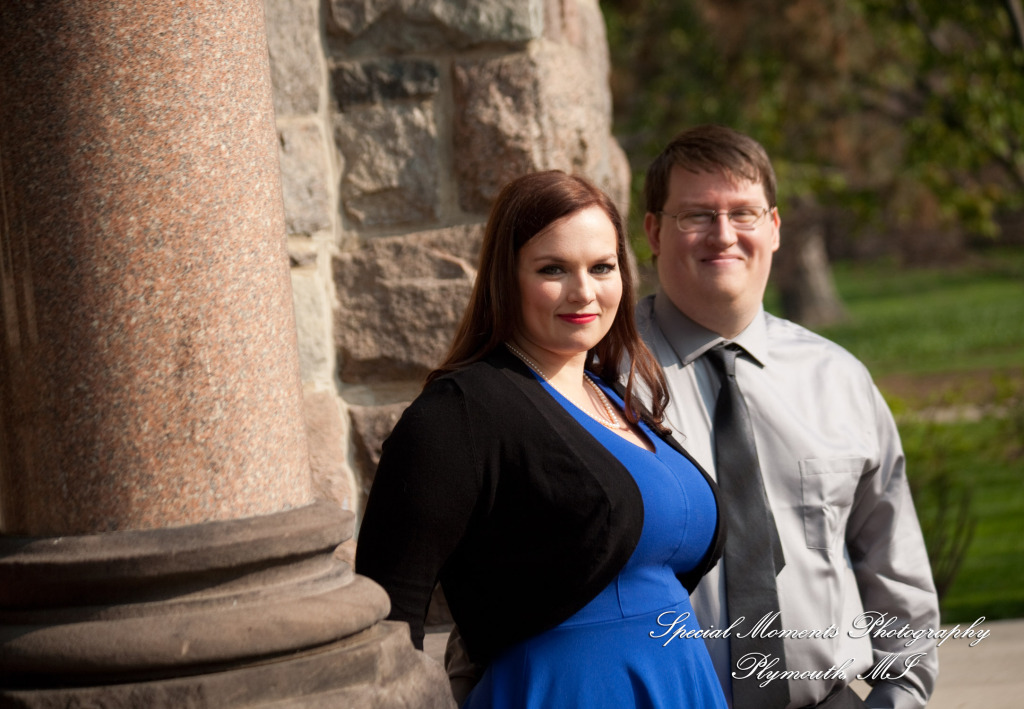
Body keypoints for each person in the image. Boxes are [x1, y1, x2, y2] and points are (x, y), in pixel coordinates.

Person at [355, 170, 729, 708]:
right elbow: (388, 618)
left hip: (681, 685)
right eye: (553, 269)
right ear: (506, 278)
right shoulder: (460, 412)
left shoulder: (616, 395)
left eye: (601, 267)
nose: (584, 292)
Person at [636, 124, 940, 708]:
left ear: (773, 228)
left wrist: (899, 693)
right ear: (653, 230)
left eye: (743, 213)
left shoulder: (839, 380)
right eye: (696, 215)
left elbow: (893, 567)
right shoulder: (601, 380)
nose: (723, 234)